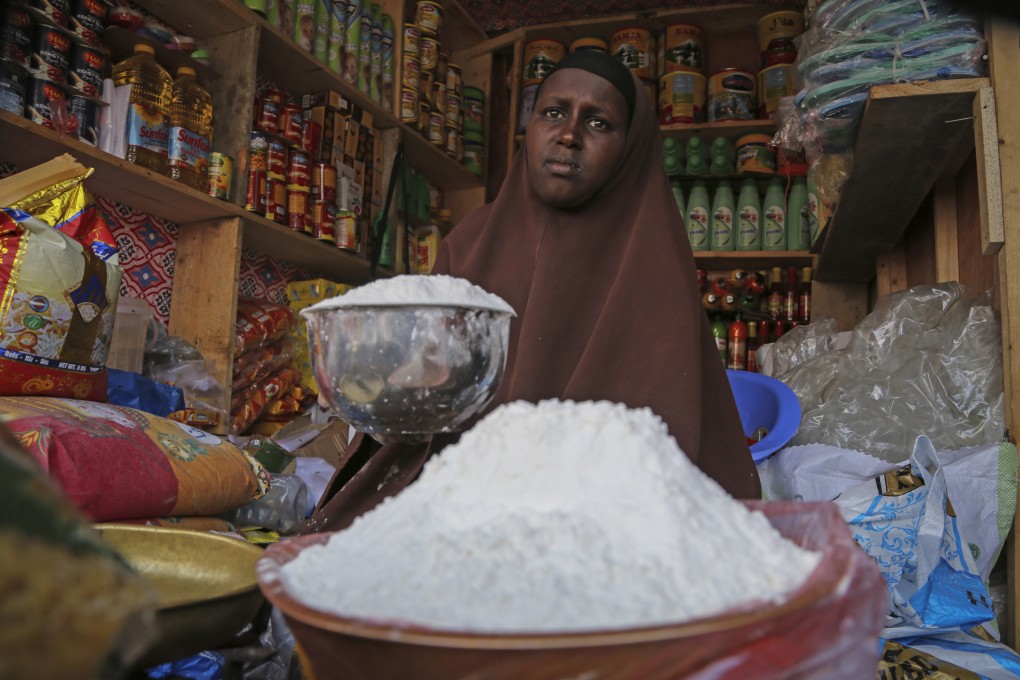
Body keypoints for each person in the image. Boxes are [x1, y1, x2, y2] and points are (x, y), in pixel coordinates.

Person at [305, 50, 760, 535]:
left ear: (631, 147)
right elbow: (425, 409)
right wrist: (381, 391)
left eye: (599, 123)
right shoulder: (469, 244)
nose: (569, 135)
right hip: (462, 502)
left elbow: (667, 447)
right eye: (554, 112)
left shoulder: (655, 262)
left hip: (598, 520)